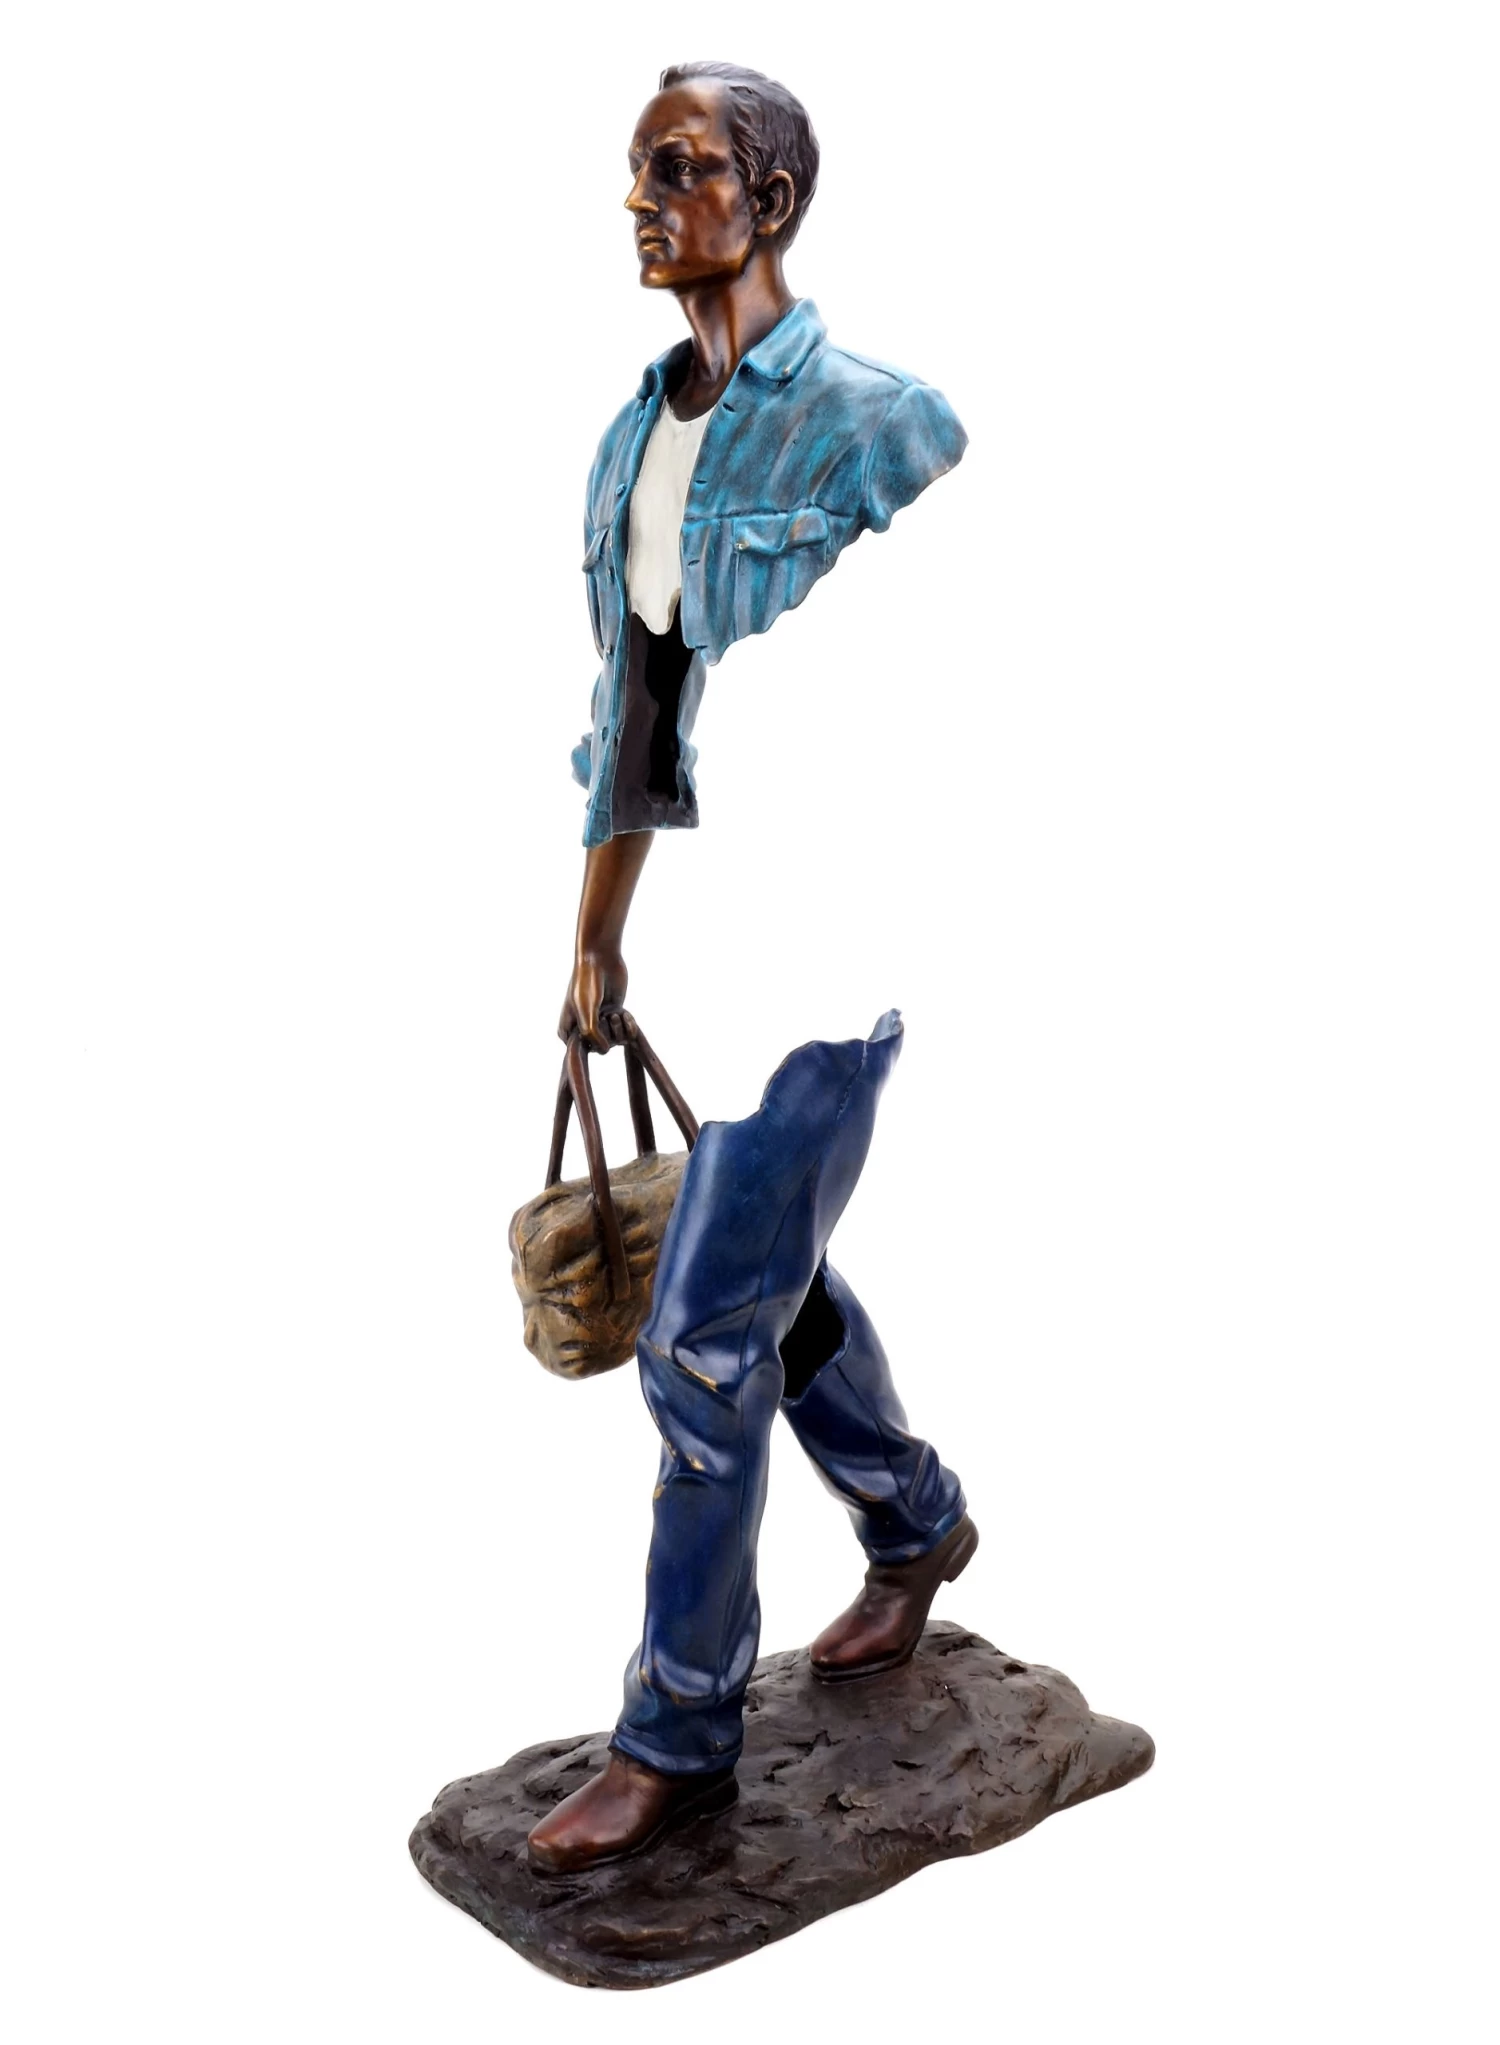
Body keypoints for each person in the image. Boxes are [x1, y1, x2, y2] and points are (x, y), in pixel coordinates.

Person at [528, 62, 976, 1875]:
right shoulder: (632, 441)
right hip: (715, 919)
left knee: (702, 1334)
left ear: (771, 197)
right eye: (638, 172)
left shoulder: (888, 424)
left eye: (682, 168)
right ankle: (916, 1519)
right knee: (768, 1292)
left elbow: (970, 679)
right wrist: (596, 933)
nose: (645, 199)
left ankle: (680, 1738)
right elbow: (635, 707)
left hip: (842, 932)